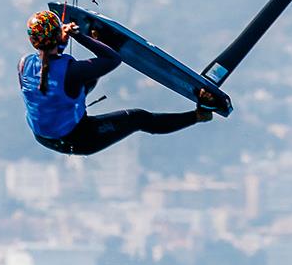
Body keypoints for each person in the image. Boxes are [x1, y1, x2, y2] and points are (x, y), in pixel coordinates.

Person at [18, 9, 212, 156]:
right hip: (77, 139)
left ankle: (99, 43)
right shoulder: (73, 72)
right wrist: (78, 36)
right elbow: (113, 60)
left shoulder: (24, 64)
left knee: (89, 77)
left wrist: (61, 40)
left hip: (42, 136)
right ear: (56, 37)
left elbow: (49, 61)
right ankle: (199, 115)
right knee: (139, 118)